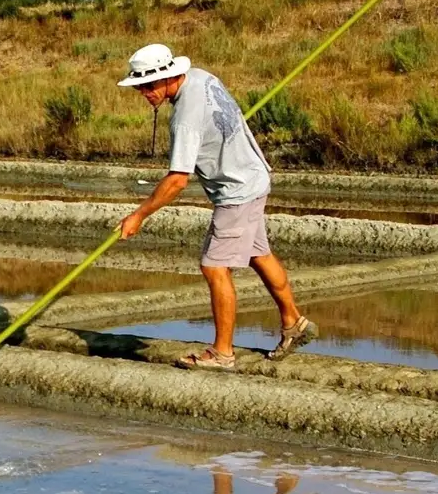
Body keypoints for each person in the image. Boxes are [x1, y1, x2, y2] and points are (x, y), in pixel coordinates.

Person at [114, 43, 316, 369]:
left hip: (236, 190)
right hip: (253, 176)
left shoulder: (184, 120)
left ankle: (223, 353)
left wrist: (138, 215)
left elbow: (177, 180)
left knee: (213, 267)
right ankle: (294, 322)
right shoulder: (201, 77)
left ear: (167, 77)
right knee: (258, 255)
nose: (144, 92)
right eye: (139, 86)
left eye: (148, 85)